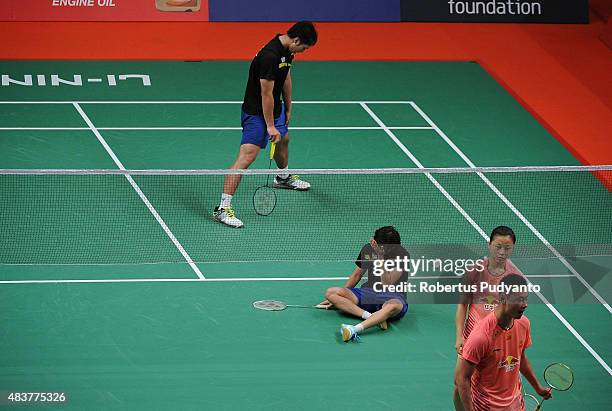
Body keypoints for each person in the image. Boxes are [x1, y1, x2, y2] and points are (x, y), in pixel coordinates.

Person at [214, 21, 318, 228]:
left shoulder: (286, 50)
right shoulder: (270, 56)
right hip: (256, 113)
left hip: (274, 108)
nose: (304, 51)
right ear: (296, 40)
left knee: (284, 139)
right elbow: (266, 93)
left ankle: (283, 177)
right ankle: (222, 209)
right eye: (304, 47)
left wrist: (288, 106)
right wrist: (270, 126)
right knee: (247, 156)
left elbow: (285, 76)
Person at [454, 274, 551, 411]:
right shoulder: (480, 337)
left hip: (515, 404)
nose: (525, 305)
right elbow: (461, 379)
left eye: (525, 299)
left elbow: (520, 358)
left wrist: (538, 387)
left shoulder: (524, 324)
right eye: (519, 300)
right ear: (503, 298)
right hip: (487, 406)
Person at [453, 226, 523, 410]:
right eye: (498, 246)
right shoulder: (474, 271)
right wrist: (460, 336)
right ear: (489, 245)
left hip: (496, 339)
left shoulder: (515, 276)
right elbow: (462, 305)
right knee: (459, 383)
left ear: (513, 248)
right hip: (473, 337)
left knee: (486, 384)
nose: (502, 252)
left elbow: (517, 313)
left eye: (507, 248)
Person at [320, 226, 409, 342]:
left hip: (393, 295)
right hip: (369, 293)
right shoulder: (368, 249)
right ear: (375, 242)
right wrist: (340, 297)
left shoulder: (402, 255)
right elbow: (357, 275)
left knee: (394, 306)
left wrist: (381, 258)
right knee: (331, 292)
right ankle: (373, 317)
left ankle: (353, 329)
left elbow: (387, 284)